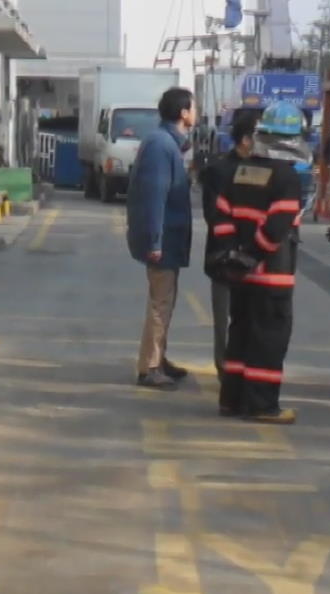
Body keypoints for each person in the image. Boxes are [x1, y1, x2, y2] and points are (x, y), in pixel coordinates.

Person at [207, 101, 307, 423]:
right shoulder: (287, 177)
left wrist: (234, 253)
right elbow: (278, 226)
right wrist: (255, 255)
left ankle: (232, 399)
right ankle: (263, 405)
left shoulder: (241, 171)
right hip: (271, 276)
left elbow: (221, 214)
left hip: (241, 275)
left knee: (240, 335)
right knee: (268, 341)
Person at [127, 87, 196, 390]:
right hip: (163, 240)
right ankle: (150, 367)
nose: (197, 112)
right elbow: (154, 196)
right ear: (183, 113)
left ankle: (160, 357)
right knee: (160, 303)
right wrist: (154, 241)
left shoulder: (167, 143)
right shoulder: (161, 145)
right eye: (194, 107)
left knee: (165, 302)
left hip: (169, 238)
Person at [200, 113, 260, 382]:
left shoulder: (267, 168)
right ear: (246, 139)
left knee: (254, 320)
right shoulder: (219, 170)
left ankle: (248, 371)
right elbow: (214, 216)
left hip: (259, 256)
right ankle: (227, 374)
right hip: (226, 257)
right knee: (225, 320)